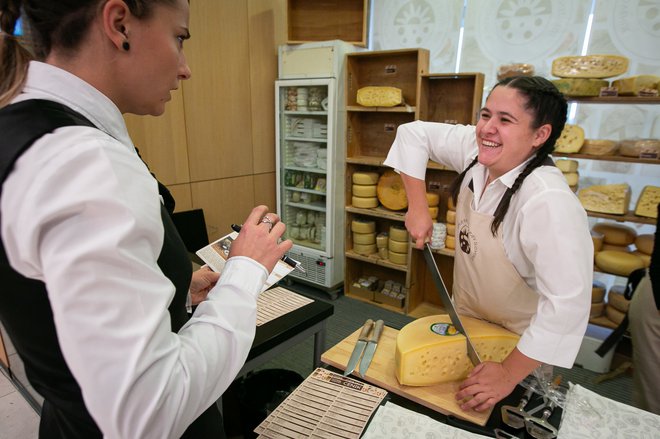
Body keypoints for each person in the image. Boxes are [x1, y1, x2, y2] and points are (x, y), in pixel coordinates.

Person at [0, 1, 292, 438]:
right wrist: (246, 271)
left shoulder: (25, 132)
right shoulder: (85, 163)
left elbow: (57, 299)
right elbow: (150, 410)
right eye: (179, 38)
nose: (185, 68)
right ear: (120, 24)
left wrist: (171, 285)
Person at [384, 76, 592, 412]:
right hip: (467, 320)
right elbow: (413, 133)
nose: (486, 129)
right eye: (485, 115)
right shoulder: (478, 151)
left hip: (520, 347)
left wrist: (509, 373)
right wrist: (418, 206)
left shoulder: (549, 202)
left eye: (505, 120)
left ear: (540, 135)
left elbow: (568, 304)